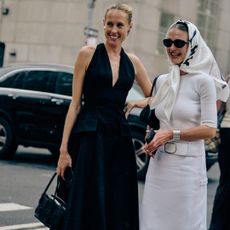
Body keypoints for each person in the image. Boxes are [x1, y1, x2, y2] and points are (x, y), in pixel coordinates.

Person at [56, 3, 152, 230]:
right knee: (86, 198)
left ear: (129, 28)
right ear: (103, 24)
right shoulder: (87, 54)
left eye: (120, 25)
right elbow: (75, 104)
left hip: (119, 138)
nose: (113, 30)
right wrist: (63, 151)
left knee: (115, 200)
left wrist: (138, 102)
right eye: (110, 24)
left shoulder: (134, 62)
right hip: (89, 135)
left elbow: (156, 97)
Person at [127, 20, 229, 230]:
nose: (172, 48)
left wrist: (170, 135)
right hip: (159, 166)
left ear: (192, 45)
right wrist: (151, 137)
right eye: (168, 42)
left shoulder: (204, 81)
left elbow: (209, 129)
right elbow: (157, 119)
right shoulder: (162, 80)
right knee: (152, 223)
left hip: (187, 168)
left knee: (184, 224)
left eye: (179, 43)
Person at [209, 75, 230, 230]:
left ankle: (217, 225)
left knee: (225, 182)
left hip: (225, 130)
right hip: (228, 130)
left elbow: (219, 106)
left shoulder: (227, 79)